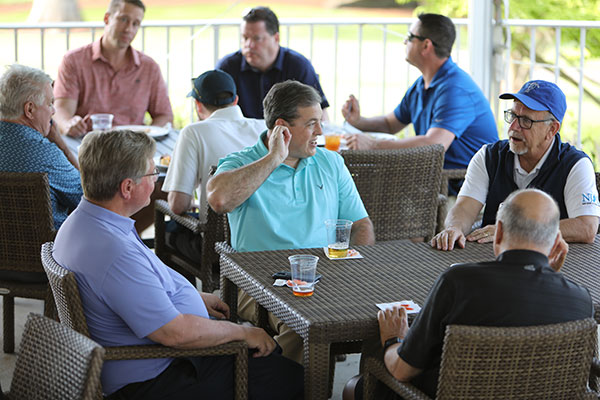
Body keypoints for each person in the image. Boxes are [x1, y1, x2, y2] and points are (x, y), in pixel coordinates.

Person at [52, 129, 303, 400]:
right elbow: (175, 333)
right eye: (151, 174)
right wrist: (242, 332)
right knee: (293, 378)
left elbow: (131, 288)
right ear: (127, 188)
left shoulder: (88, 221)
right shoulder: (112, 250)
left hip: (153, 361)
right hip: (158, 375)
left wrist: (191, 296)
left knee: (274, 361)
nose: (156, 179)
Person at [348, 189, 593, 399]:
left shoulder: (459, 283)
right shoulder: (580, 301)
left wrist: (393, 339)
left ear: (498, 233)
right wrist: (551, 278)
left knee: (358, 385)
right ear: (556, 241)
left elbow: (402, 371)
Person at [207, 80, 375, 363]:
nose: (320, 131)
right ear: (282, 127)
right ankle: (284, 384)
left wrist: (350, 272)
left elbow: (361, 225)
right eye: (311, 124)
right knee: (304, 326)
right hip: (258, 281)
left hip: (324, 277)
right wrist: (274, 158)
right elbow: (219, 199)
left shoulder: (331, 163)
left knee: (391, 314)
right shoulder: (241, 163)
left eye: (320, 122)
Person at [432, 80, 600, 251]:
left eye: (526, 121)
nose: (513, 127)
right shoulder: (488, 156)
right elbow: (464, 207)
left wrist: (514, 232)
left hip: (556, 264)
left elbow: (586, 227)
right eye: (512, 116)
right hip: (491, 259)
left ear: (552, 130)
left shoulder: (575, 164)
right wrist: (455, 227)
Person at [341, 13, 498, 194]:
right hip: (434, 178)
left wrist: (373, 145)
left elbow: (434, 144)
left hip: (462, 185)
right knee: (360, 183)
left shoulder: (456, 89)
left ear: (426, 45)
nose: (404, 42)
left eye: (409, 37)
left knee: (368, 188)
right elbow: (389, 124)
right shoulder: (422, 84)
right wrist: (358, 122)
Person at [161, 69, 266, 262]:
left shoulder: (194, 132)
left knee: (169, 232)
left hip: (218, 251)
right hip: (263, 246)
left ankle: (185, 293)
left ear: (198, 105)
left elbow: (177, 204)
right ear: (235, 101)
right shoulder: (264, 128)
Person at [53, 0, 173, 137]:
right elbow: (62, 110)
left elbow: (164, 116)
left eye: (135, 24)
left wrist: (148, 136)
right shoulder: (74, 61)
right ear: (107, 18)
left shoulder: (149, 68)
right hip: (88, 146)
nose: (129, 29)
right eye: (123, 19)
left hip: (133, 149)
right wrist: (69, 124)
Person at [0, 64, 82, 230]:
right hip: (48, 253)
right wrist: (61, 145)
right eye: (50, 103)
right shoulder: (44, 154)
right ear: (30, 109)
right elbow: (87, 198)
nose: (53, 111)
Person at [216, 6, 330, 120]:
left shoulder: (298, 66)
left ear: (276, 38)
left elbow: (320, 113)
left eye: (257, 38)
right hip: (239, 136)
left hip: (288, 136)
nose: (249, 45)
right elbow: (212, 116)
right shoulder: (227, 67)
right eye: (245, 38)